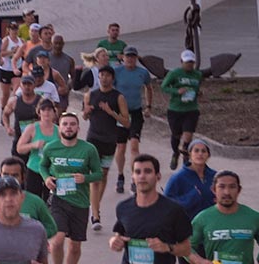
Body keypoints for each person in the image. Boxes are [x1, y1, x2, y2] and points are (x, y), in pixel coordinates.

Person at [37, 112, 106, 264]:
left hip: (80, 202)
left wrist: (85, 178)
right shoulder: (51, 148)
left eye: (72, 124)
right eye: (65, 124)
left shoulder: (89, 149)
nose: (69, 127)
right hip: (58, 199)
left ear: (78, 128)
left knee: (75, 247)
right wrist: (47, 178)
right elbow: (43, 166)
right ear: (59, 128)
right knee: (57, 241)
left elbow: (98, 174)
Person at [110, 154, 192, 264]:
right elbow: (119, 235)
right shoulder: (123, 208)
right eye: (138, 172)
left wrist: (167, 247)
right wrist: (114, 242)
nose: (142, 176)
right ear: (133, 178)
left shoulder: (173, 210)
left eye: (147, 171)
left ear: (158, 176)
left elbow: (186, 249)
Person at [189, 170, 259, 264]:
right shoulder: (202, 219)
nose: (227, 192)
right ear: (214, 190)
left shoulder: (254, 217)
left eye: (232, 187)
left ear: (239, 190)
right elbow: (186, 248)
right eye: (221, 187)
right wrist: (200, 261)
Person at [86, 65, 130, 232]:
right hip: (93, 138)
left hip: (110, 139)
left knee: (103, 175)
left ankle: (94, 206)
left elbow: (126, 122)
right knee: (95, 176)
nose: (104, 78)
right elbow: (85, 115)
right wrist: (86, 111)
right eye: (101, 75)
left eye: (107, 75)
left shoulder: (118, 97)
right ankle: (95, 214)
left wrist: (111, 113)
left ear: (112, 78)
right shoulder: (91, 94)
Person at [111, 48, 156, 196]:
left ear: (136, 58)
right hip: (121, 113)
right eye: (128, 57)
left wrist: (148, 106)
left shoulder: (142, 73)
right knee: (121, 147)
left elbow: (149, 88)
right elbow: (110, 89)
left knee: (134, 146)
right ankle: (120, 175)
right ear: (123, 57)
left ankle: (134, 178)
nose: (130, 60)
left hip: (136, 112)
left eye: (133, 57)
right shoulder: (117, 72)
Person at [0, 157, 58, 240]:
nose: (10, 178)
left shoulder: (36, 202)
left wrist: (33, 236)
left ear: (23, 177)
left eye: (15, 175)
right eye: (5, 174)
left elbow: (51, 228)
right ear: (0, 175)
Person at [161, 49, 204, 171]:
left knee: (188, 135)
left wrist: (198, 93)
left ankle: (186, 157)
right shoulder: (174, 74)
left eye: (191, 62)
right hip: (175, 109)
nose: (189, 64)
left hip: (191, 109)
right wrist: (176, 91)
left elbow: (196, 87)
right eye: (187, 62)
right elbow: (164, 87)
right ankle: (175, 153)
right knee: (176, 135)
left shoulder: (197, 74)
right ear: (181, 62)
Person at [160, 139, 218, 216]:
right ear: (190, 154)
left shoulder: (215, 176)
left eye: (203, 151)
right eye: (196, 151)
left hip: (211, 222)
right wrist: (192, 196)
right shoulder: (178, 177)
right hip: (187, 222)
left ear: (208, 155)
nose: (200, 154)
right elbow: (166, 203)